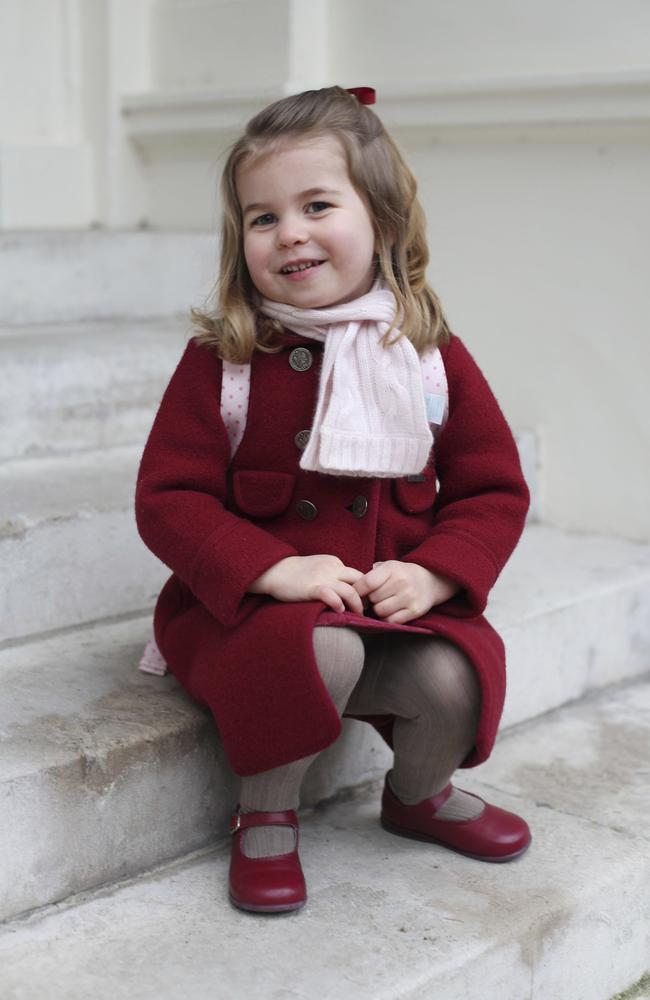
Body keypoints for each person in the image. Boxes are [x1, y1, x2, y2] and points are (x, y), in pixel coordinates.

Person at [135, 85, 532, 915]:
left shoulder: (425, 355)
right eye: (262, 217)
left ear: (381, 220)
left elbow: (492, 489)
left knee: (455, 672)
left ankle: (418, 795)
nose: (291, 233)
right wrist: (271, 569)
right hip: (257, 617)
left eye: (317, 204)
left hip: (389, 608)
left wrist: (434, 577)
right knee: (324, 653)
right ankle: (266, 811)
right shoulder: (229, 362)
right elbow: (169, 498)